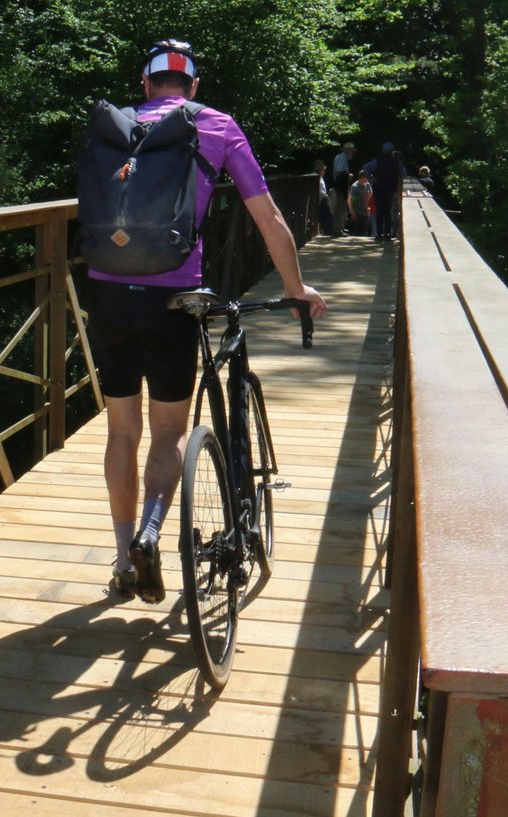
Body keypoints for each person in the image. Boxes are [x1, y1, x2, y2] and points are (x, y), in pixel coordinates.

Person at [84, 38, 327, 603]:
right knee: (168, 433)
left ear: (145, 86)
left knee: (122, 431)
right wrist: (295, 288)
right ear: (193, 88)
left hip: (108, 294)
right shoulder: (214, 125)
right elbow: (266, 216)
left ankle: (123, 560)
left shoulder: (111, 128)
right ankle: (151, 530)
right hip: (172, 297)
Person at [372, 142, 405, 240]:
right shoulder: (396, 161)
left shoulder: (377, 160)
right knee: (387, 212)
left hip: (378, 189)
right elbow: (403, 173)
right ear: (391, 151)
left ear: (383, 150)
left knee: (379, 212)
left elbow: (366, 168)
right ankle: (387, 234)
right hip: (390, 189)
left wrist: (372, 177)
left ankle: (379, 235)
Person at [330, 142, 356, 235]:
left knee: (342, 208)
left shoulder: (340, 157)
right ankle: (337, 230)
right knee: (340, 208)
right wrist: (348, 175)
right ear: (347, 151)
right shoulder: (342, 158)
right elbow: (338, 172)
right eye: (352, 151)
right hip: (340, 187)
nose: (353, 153)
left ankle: (340, 227)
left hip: (340, 186)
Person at [347, 170, 373, 239]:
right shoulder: (354, 187)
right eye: (366, 177)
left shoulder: (368, 185)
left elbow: (371, 196)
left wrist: (369, 208)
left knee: (364, 233)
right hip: (357, 212)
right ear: (361, 177)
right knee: (354, 232)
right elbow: (350, 200)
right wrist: (352, 212)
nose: (368, 179)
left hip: (366, 212)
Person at [312, 159, 334, 236]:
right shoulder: (315, 177)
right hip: (319, 201)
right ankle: (327, 232)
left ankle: (326, 232)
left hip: (322, 200)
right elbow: (319, 191)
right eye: (323, 170)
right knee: (326, 217)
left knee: (328, 216)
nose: (324, 171)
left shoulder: (320, 177)